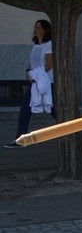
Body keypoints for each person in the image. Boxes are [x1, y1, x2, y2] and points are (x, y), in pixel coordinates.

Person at [5, 19, 54, 148]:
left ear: (45, 30)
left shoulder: (49, 44)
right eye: (35, 27)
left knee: (55, 111)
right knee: (25, 111)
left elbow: (48, 65)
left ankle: (72, 130)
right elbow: (32, 63)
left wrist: (35, 75)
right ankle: (20, 139)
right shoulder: (36, 45)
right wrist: (28, 72)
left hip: (47, 83)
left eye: (38, 27)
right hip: (34, 83)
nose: (36, 30)